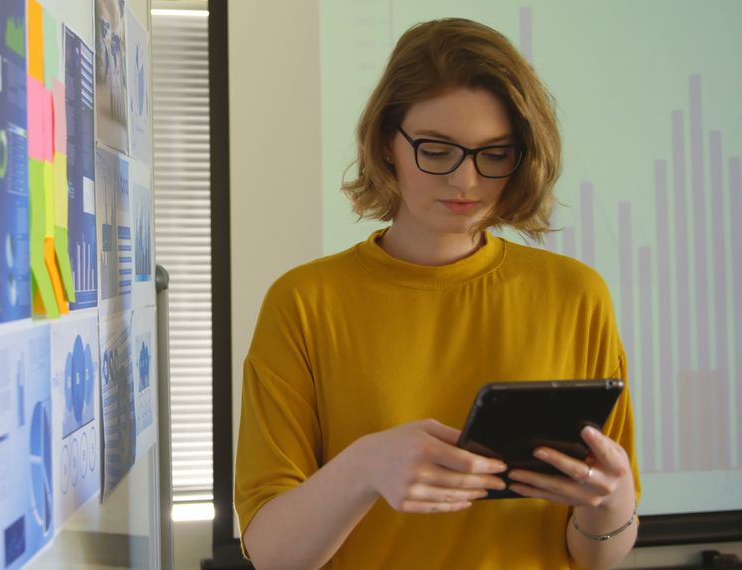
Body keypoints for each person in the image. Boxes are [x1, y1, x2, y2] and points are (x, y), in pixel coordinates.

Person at [234, 18, 640, 570]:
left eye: (494, 154)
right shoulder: (304, 302)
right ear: (386, 144)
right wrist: (365, 468)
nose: (466, 181)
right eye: (437, 149)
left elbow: (596, 559)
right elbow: (272, 556)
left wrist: (611, 505)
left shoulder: (576, 295)